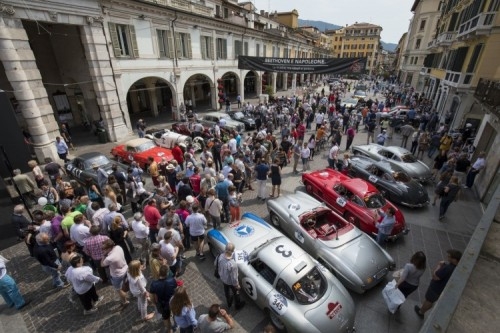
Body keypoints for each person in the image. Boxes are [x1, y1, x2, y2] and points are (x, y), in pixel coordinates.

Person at [415, 249, 462, 317]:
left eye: (449, 257)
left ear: (454, 259)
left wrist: (439, 266)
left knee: (429, 300)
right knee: (430, 300)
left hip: (436, 288)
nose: (447, 258)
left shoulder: (448, 268)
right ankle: (422, 310)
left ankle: (421, 312)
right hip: (441, 289)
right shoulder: (456, 267)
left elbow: (435, 276)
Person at [217, 242, 245, 310]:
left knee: (226, 291)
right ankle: (237, 305)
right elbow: (234, 278)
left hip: (223, 279)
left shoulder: (221, 256)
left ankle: (229, 302)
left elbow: (217, 265)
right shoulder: (233, 264)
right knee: (236, 293)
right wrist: (237, 285)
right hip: (230, 282)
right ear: (232, 251)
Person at [101, 239, 129, 307]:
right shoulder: (118, 247)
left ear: (109, 248)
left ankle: (125, 301)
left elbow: (102, 264)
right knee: (126, 283)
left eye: (104, 249)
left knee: (118, 290)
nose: (103, 250)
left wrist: (103, 256)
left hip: (117, 275)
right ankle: (131, 293)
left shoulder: (109, 258)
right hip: (126, 269)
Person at [150, 265, 177, 332]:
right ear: (167, 273)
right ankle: (176, 324)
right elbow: (176, 291)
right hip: (172, 302)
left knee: (166, 319)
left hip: (163, 305)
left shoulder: (154, 284)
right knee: (175, 314)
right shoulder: (172, 280)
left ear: (159, 272)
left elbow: (152, 297)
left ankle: (169, 330)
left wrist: (154, 303)